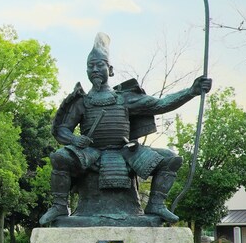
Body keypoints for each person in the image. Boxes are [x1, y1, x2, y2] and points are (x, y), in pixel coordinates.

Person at [39, 32, 212, 225]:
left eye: (99, 65)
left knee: (170, 158)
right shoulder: (82, 101)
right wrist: (74, 140)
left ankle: (156, 204)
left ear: (110, 69)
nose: (95, 69)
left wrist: (191, 92)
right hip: (90, 152)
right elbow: (62, 129)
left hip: (125, 151)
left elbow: (161, 104)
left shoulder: (125, 98)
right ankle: (59, 205)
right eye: (90, 66)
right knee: (60, 157)